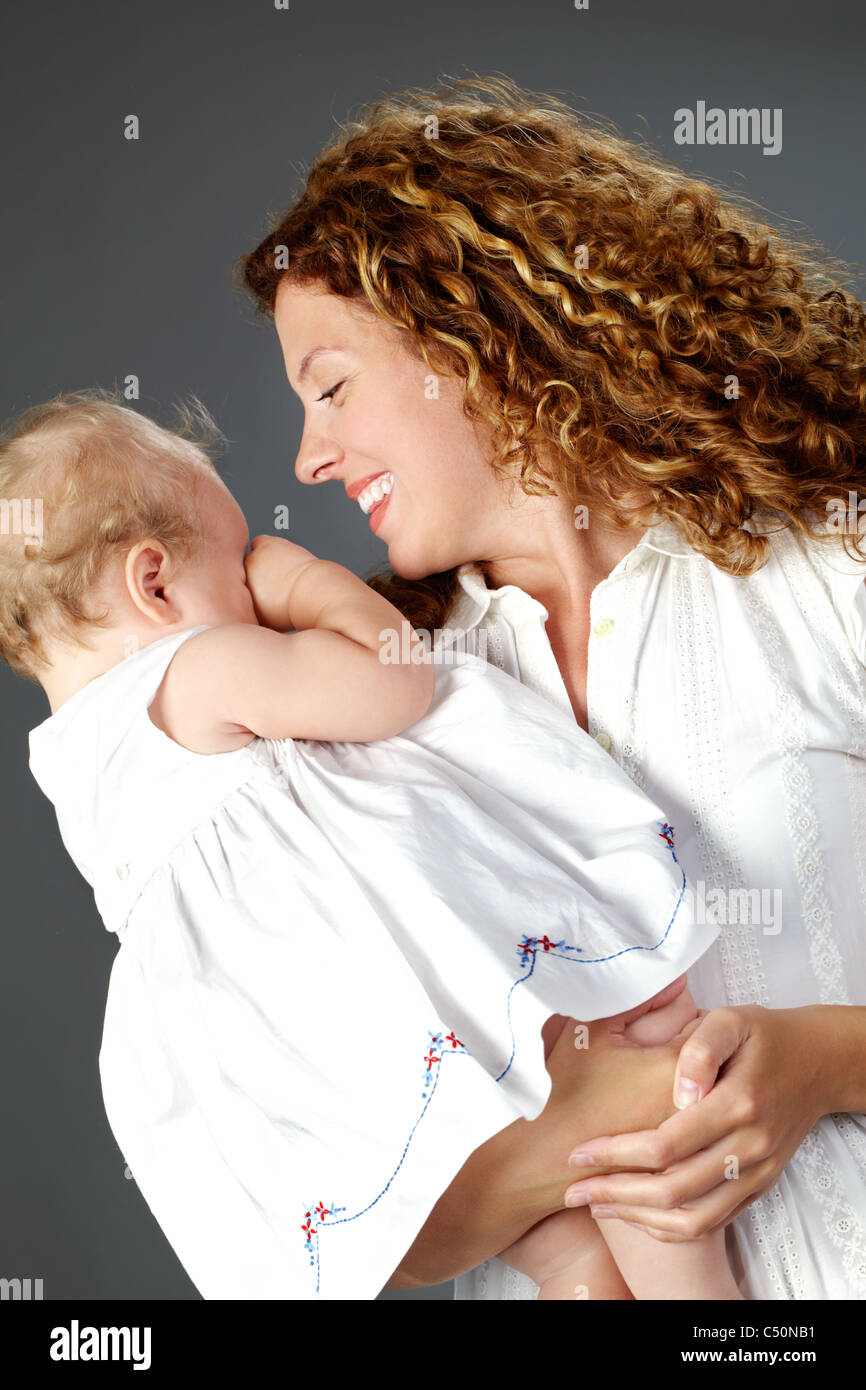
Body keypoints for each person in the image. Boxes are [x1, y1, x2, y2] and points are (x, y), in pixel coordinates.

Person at [235, 73, 866, 1300]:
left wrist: (825, 1061)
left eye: (330, 386)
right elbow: (328, 1185)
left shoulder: (818, 570)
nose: (308, 458)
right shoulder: (382, 704)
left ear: (465, 338)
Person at [3, 390, 742, 1299]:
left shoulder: (71, 760)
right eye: (240, 565)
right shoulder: (187, 672)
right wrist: (306, 581)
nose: (256, 589)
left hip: (325, 1105)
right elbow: (391, 686)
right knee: (654, 1108)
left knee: (566, 1239)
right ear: (153, 584)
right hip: (388, 1028)